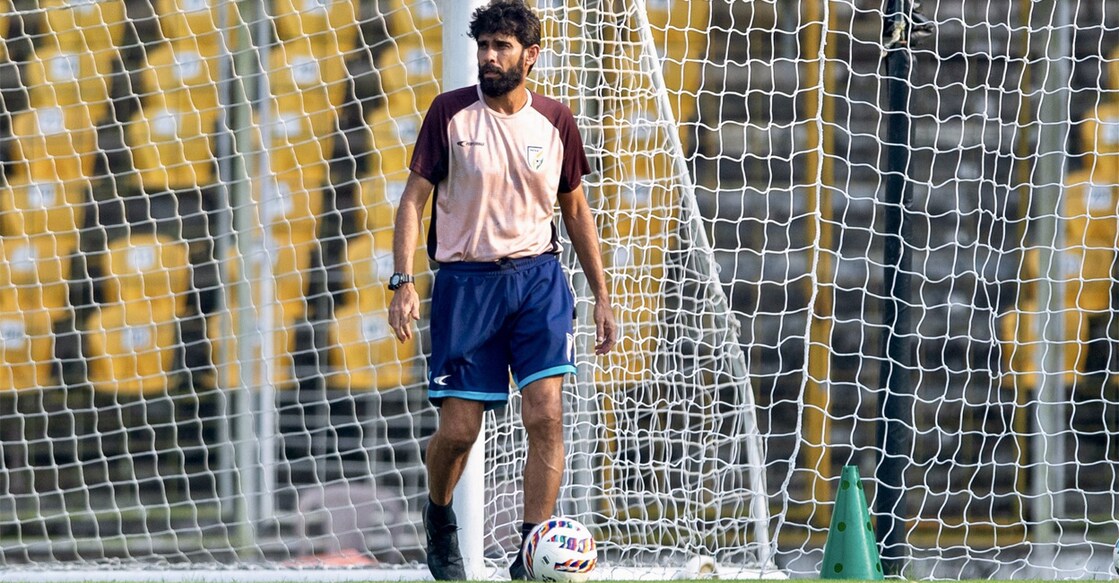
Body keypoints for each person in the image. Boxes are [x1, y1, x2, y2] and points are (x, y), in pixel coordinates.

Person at [386, 0, 617, 580]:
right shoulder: (450, 114)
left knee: (547, 418)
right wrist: (403, 280)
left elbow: (575, 208)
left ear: (529, 55)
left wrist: (602, 296)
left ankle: (527, 555)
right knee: (460, 430)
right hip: (468, 286)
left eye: (502, 46)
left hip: (539, 280)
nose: (489, 57)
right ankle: (440, 519)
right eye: (484, 46)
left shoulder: (557, 121)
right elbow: (413, 201)